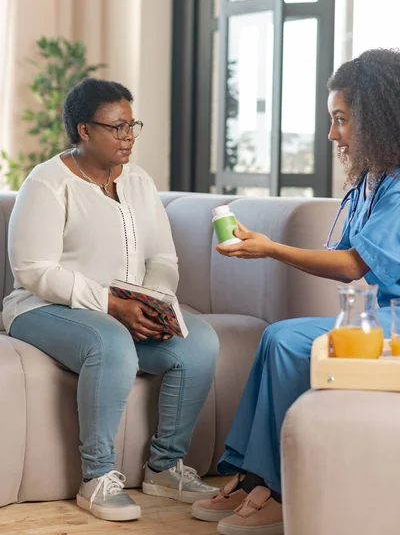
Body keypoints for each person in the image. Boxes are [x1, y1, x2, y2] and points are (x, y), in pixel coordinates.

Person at [191, 48, 400, 535]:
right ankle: (253, 476)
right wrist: (263, 246)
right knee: (277, 336)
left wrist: (270, 249)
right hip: (385, 316)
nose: (332, 135)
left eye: (341, 120)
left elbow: (351, 265)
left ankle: (282, 491)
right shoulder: (372, 180)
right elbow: (346, 258)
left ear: (377, 118)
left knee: (288, 341)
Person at [2, 78, 220, 522]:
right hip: (43, 309)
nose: (129, 138)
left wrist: (154, 302)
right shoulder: (47, 183)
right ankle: (96, 477)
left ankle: (164, 467)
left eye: (132, 126)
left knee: (199, 343)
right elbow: (34, 270)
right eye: (117, 128)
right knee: (110, 344)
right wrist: (109, 304)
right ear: (84, 130)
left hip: (127, 309)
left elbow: (162, 256)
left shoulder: (139, 181)